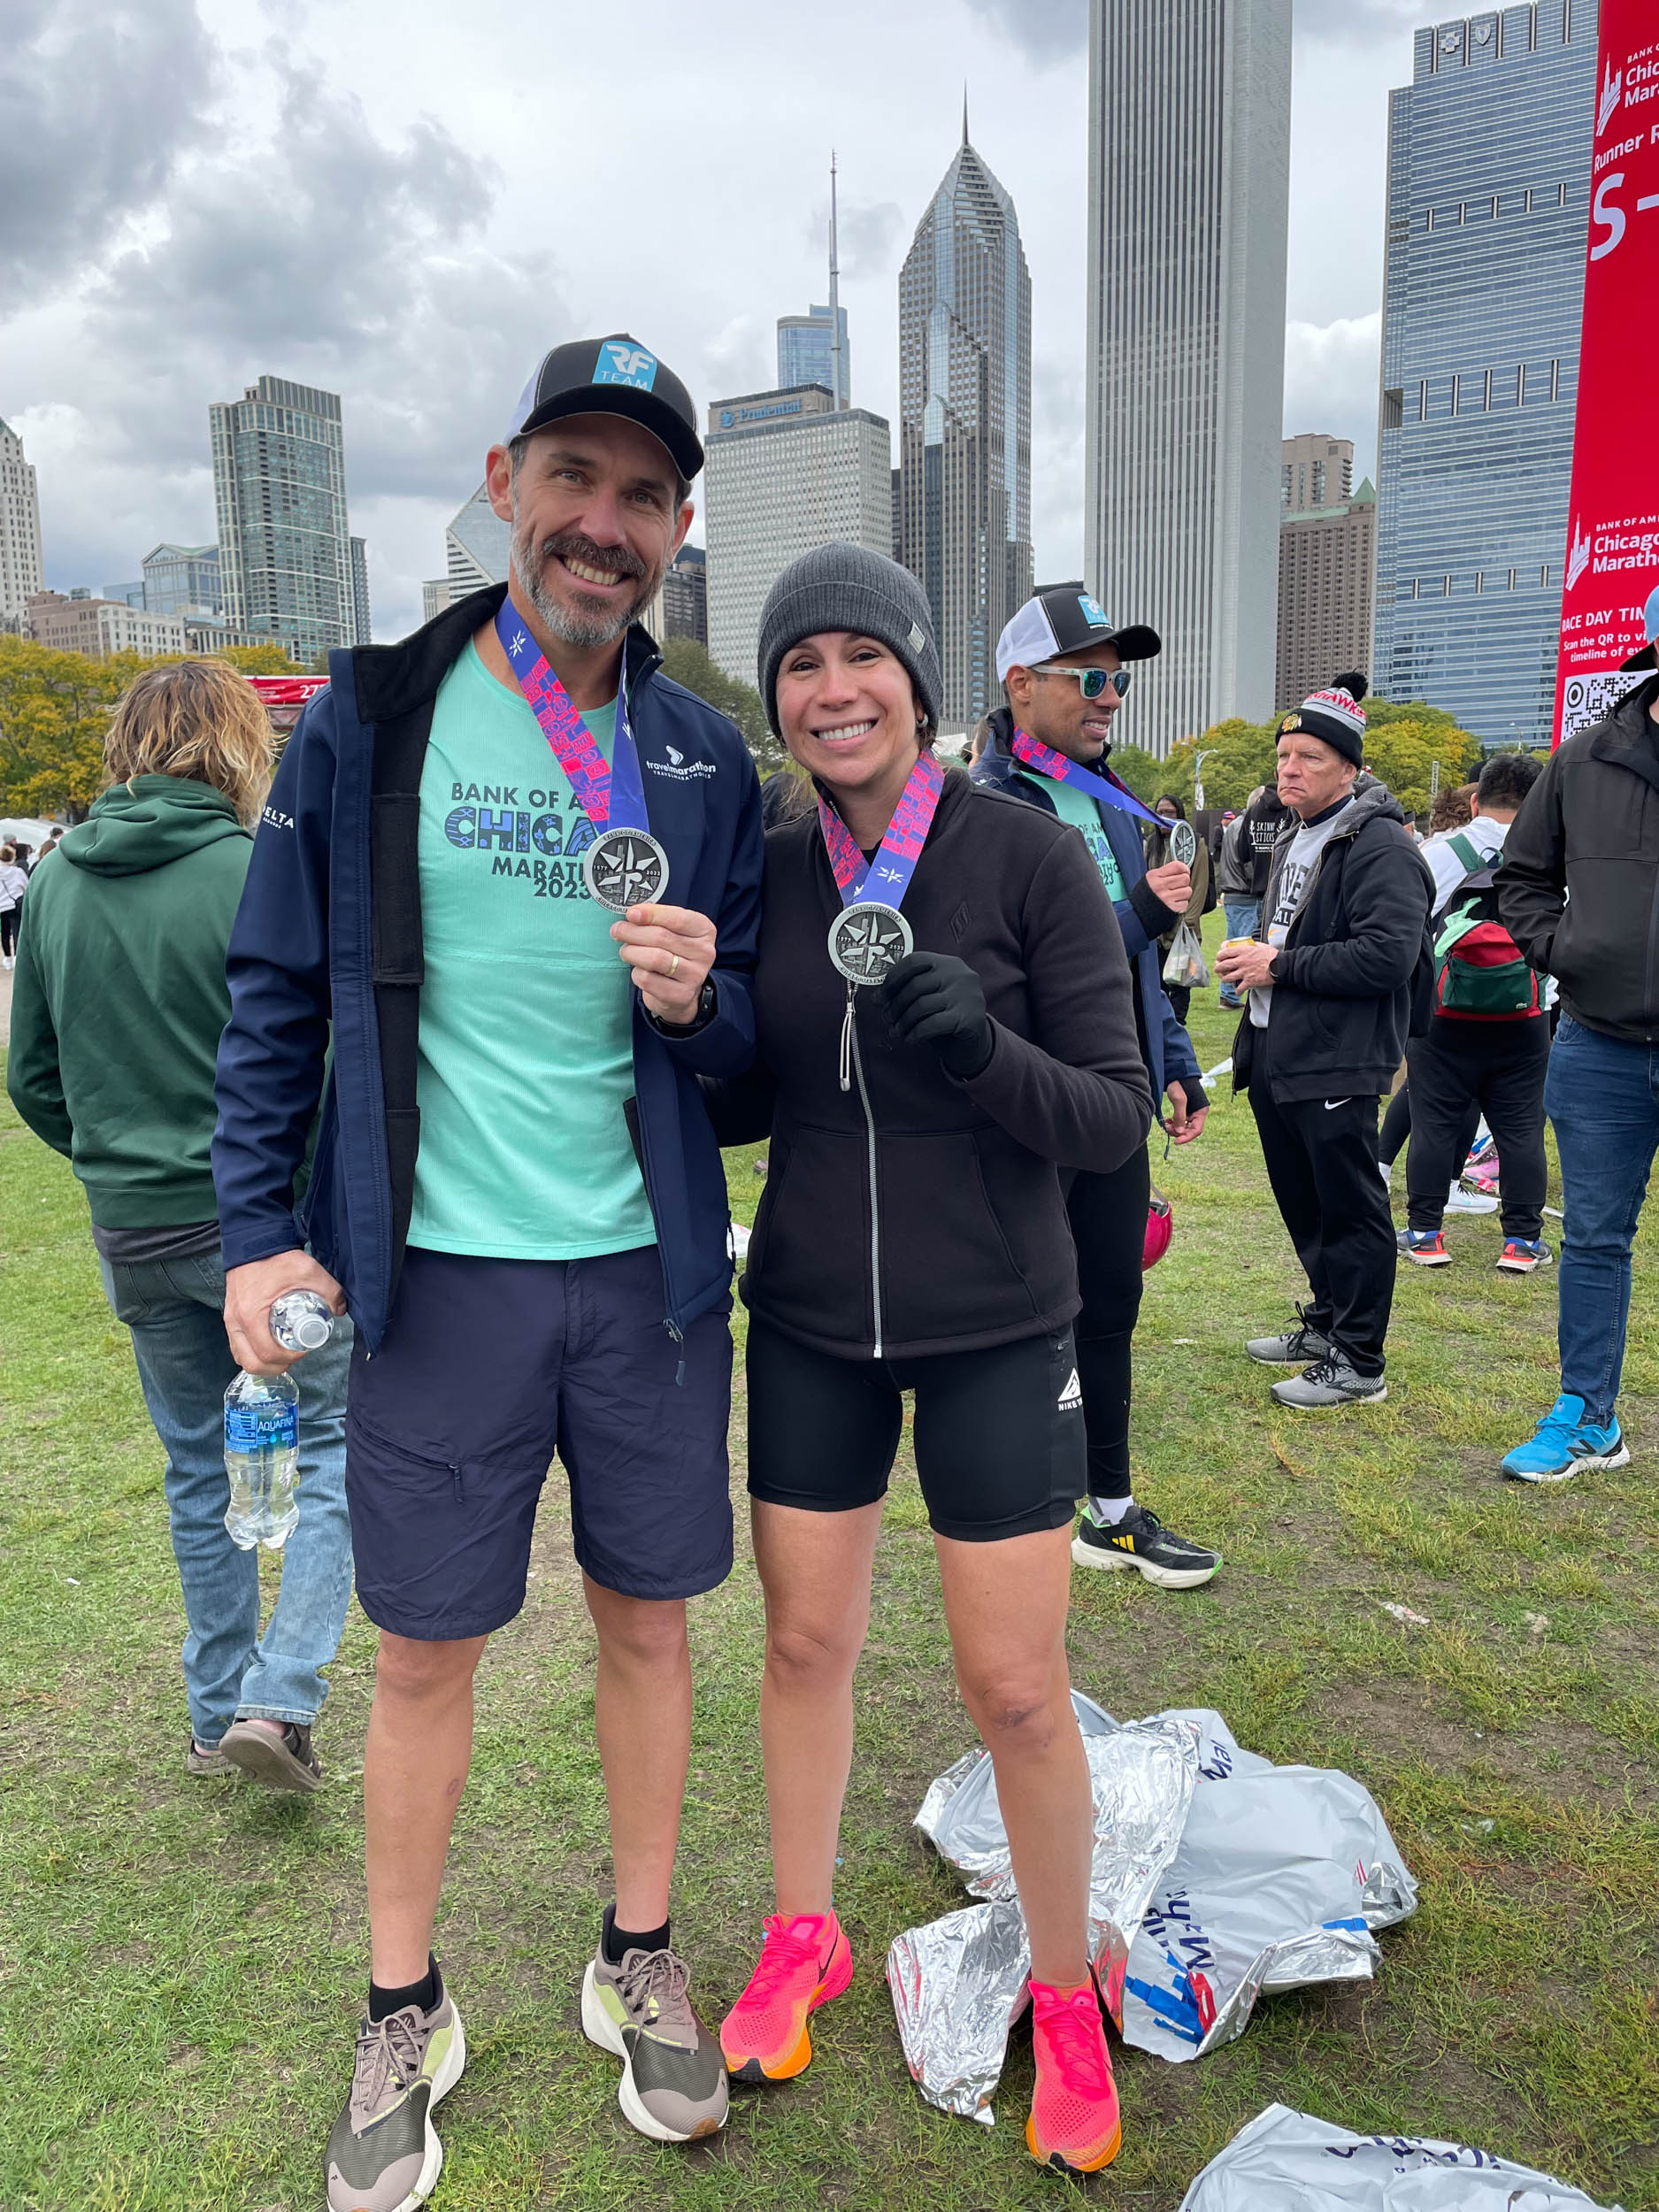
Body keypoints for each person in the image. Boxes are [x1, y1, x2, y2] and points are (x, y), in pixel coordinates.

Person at [211, 335, 764, 2203]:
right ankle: (402, 2004)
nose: (604, 524)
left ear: (676, 531)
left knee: (649, 1622)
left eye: (644, 495)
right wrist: (256, 1227)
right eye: (574, 477)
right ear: (503, 480)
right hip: (440, 1276)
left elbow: (745, 1055)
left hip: (647, 1280)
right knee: (424, 1648)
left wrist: (704, 1005)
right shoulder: (373, 709)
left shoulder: (701, 749)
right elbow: (275, 988)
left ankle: (637, 1952)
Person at [712, 544, 1153, 2174]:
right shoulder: (769, 866)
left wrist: (984, 1050)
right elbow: (746, 1098)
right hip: (813, 1322)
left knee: (1017, 1689)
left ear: (915, 678)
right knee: (802, 1645)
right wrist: (685, 1025)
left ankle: (1061, 1992)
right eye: (800, 665)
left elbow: (1110, 1116)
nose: (833, 690)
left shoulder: (1025, 855)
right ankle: (803, 1932)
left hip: (997, 1326)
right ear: (777, 699)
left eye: (861, 658)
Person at [5, 661, 355, 1786]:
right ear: (239, 744)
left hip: (134, 1229)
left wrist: (111, 1157)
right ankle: (278, 1694)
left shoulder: (53, 882)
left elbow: (32, 1075)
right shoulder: (254, 870)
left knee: (199, 1467)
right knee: (336, 1444)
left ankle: (215, 1715)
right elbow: (316, 1063)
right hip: (260, 1224)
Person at [973, 585, 1221, 1589]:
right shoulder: (983, 807)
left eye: (1117, 680)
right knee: (1026, 1312)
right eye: (1089, 678)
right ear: (1020, 684)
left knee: (1110, 1301)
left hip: (1115, 1099)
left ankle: (1108, 1511)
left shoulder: (1110, 799)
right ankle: (1012, 1516)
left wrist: (1174, 1060)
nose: (1110, 696)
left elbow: (1129, 967)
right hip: (1029, 1108)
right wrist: (1142, 922)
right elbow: (1011, 978)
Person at [1217, 675, 1432, 1409]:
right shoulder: (1295, 832)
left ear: (1349, 768)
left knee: (1349, 1207)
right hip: (1279, 1047)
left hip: (1338, 1054)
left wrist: (1277, 963)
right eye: (1284, 756)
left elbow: (1387, 956)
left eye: (1309, 757)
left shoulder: (1380, 843)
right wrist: (1256, 958)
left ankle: (1360, 1360)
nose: (1289, 770)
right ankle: (1328, 1324)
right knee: (1304, 1202)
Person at [1496, 594, 1659, 1482]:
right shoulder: (1583, 758)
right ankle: (1589, 1416)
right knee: (1595, 1237)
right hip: (1601, 1045)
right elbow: (1521, 876)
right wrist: (1566, 952)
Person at [1401, 751, 1548, 1272]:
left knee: (1433, 1123)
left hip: (1442, 1012)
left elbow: (1405, 926)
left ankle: (1425, 1234)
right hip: (1527, 1015)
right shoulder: (1556, 854)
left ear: (1474, 800)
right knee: (1522, 1128)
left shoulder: (1439, 851)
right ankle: (1522, 1242)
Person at [1147, 793, 1210, 1025]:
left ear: (1180, 815)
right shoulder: (1152, 844)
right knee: (1157, 984)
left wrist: (1188, 923)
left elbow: (1200, 885)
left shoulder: (1195, 843)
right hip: (1156, 929)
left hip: (1182, 928)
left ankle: (1178, 1027)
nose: (1164, 817)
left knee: (1181, 983)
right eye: (1160, 813)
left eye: (1170, 813)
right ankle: (1162, 1030)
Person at [0, 841, 27, 965]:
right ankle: (17, 956)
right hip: (16, 903)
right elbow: (26, 886)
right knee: (17, 930)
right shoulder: (18, 872)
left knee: (5, 932)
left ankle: (7, 958)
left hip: (2, 905)